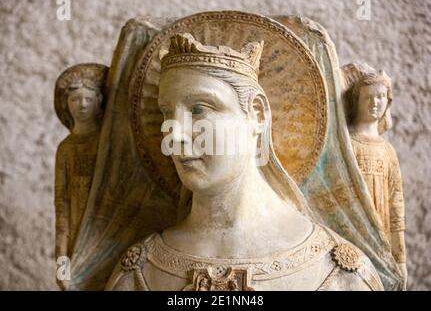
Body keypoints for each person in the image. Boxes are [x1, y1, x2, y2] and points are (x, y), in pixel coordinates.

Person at [106, 34, 383, 291]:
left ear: (258, 114)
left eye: (199, 109)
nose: (174, 134)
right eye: (166, 113)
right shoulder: (140, 271)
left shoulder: (337, 272)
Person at [346, 68, 407, 289]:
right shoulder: (346, 145)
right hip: (351, 234)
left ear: (388, 101)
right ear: (357, 100)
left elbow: (396, 204)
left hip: (382, 241)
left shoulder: (388, 151)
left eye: (380, 96)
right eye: (368, 97)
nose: (375, 102)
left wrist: (400, 258)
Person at [54, 63, 108, 289]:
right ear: (66, 104)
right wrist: (62, 266)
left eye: (88, 98)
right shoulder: (66, 149)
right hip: (76, 234)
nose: (82, 105)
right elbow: (61, 206)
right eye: (75, 99)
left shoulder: (107, 144)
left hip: (105, 232)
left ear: (100, 101)